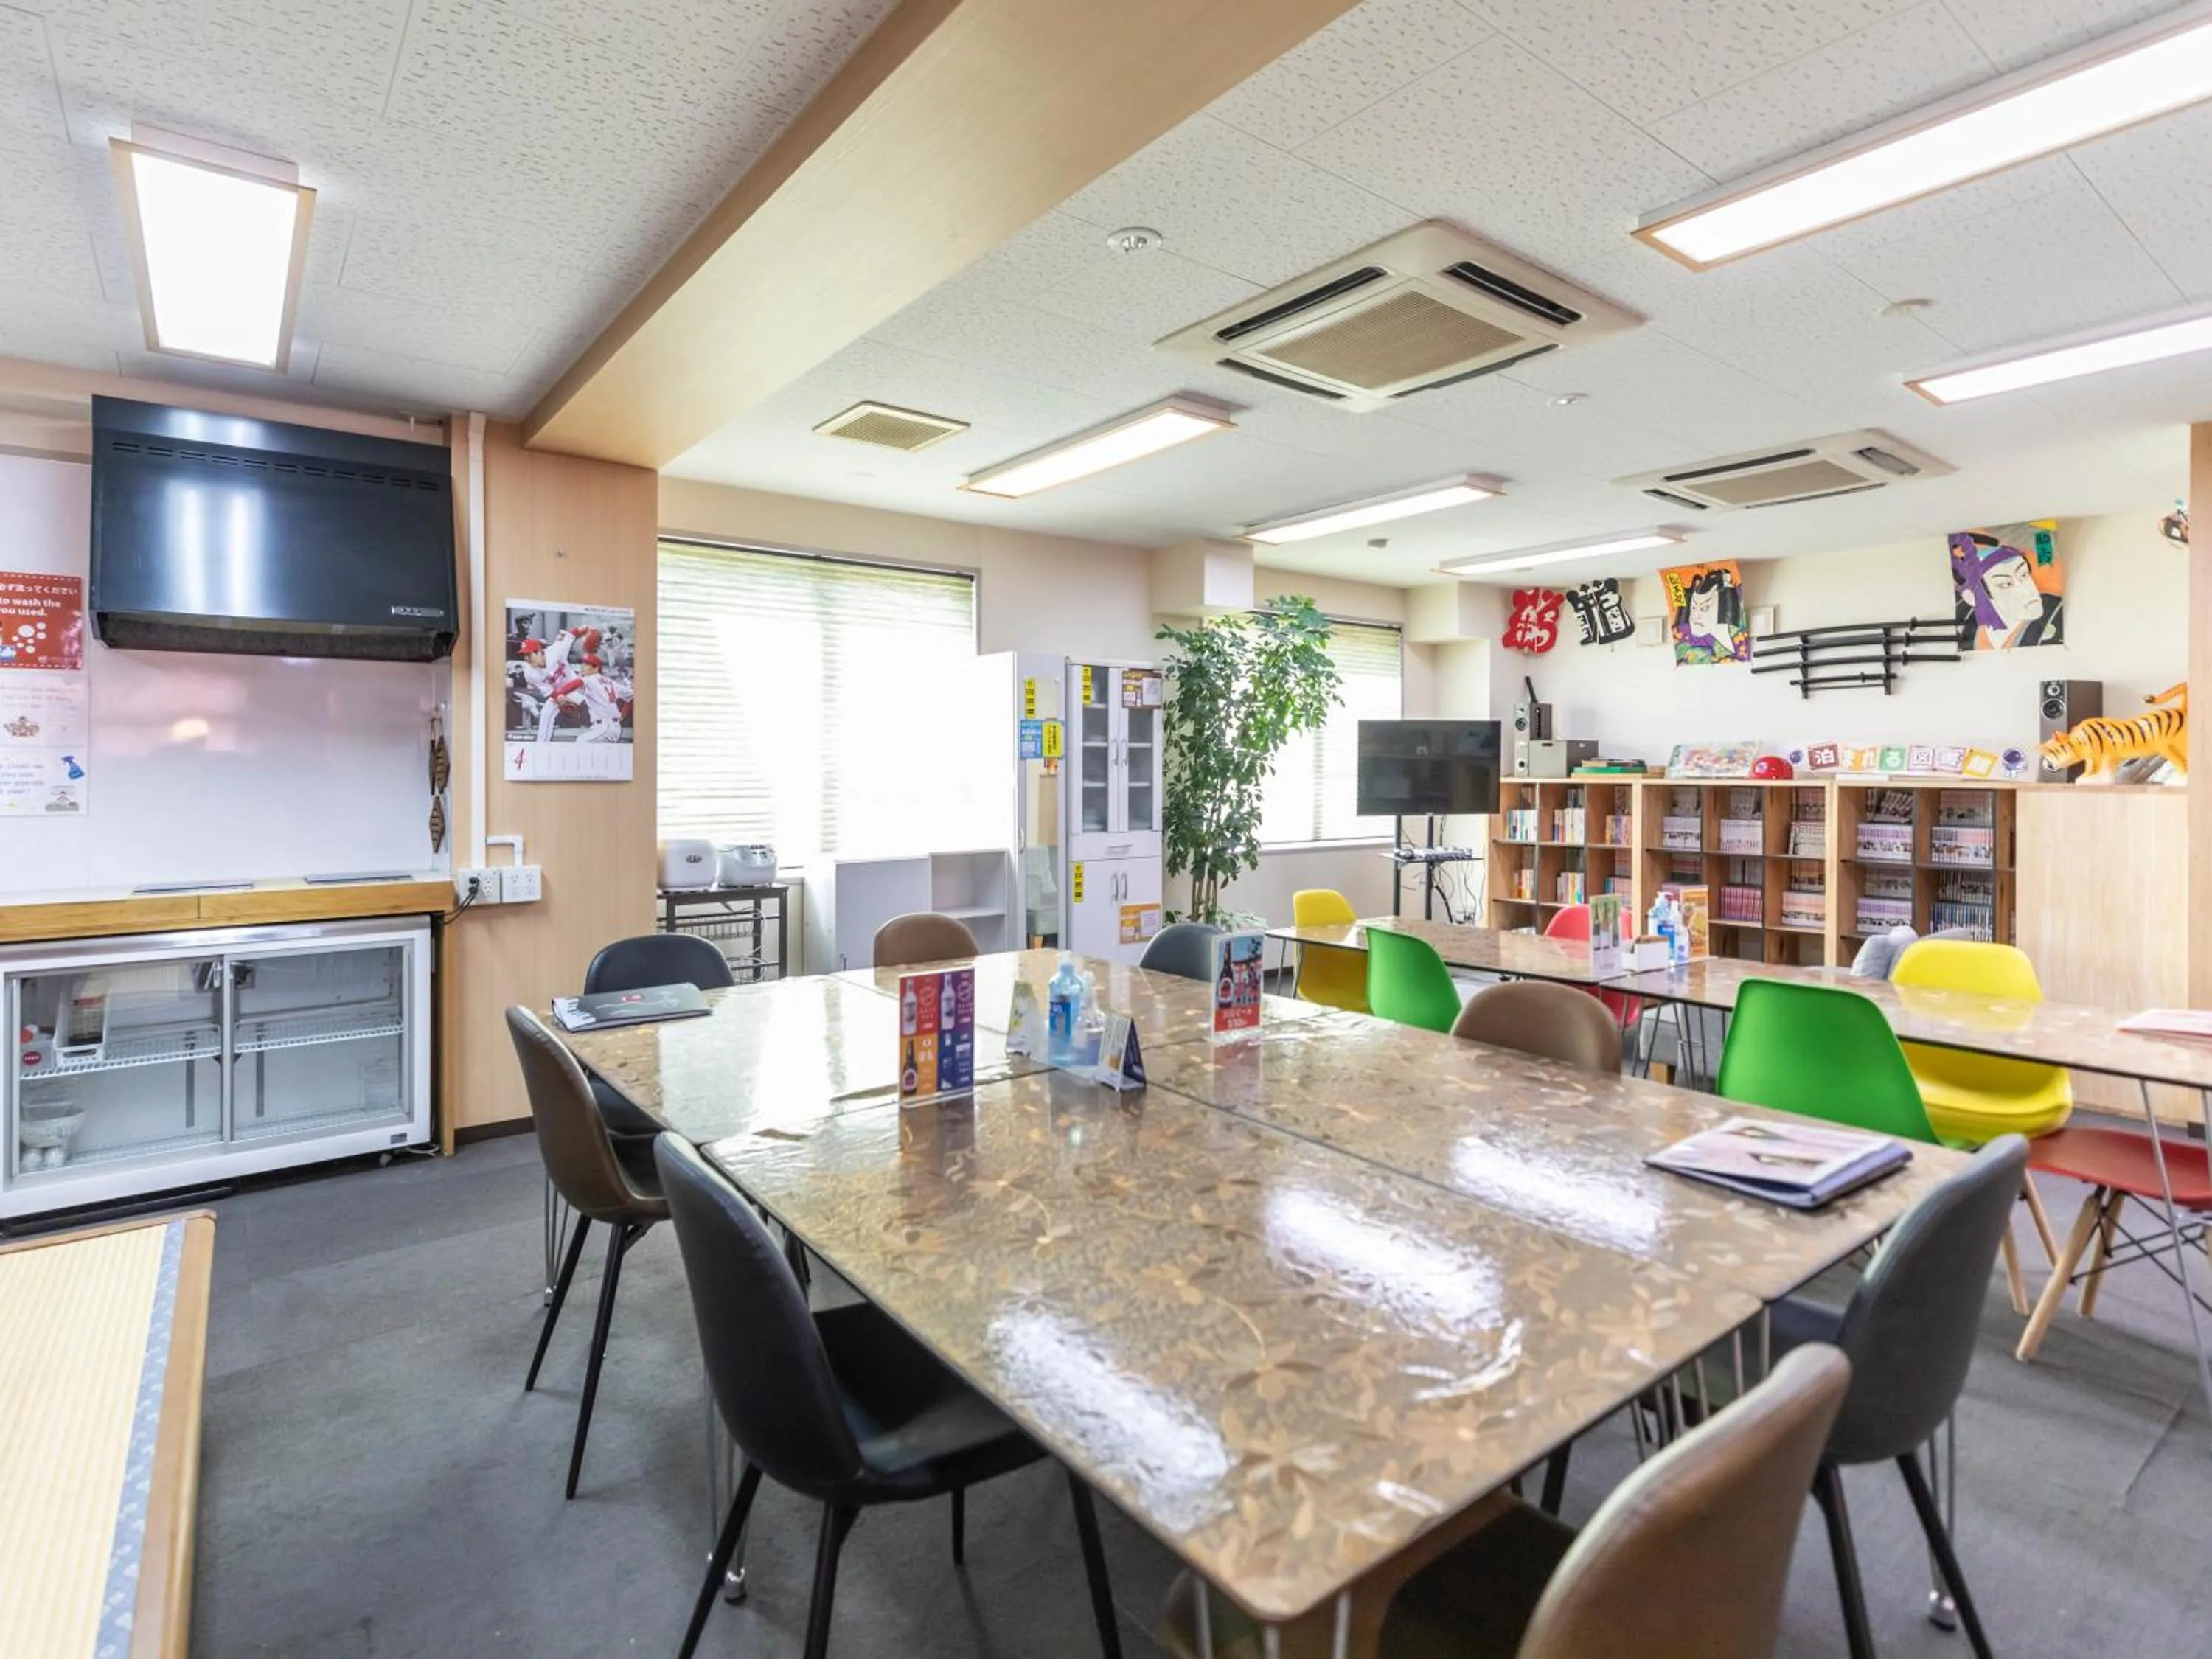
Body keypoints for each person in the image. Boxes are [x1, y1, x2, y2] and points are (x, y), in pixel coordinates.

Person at [1950, 531, 2062, 649]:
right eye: (2005, 584)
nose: (2026, 591)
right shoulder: (1961, 619)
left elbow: (2043, 536)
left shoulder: (2056, 609)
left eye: (2024, 575)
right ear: (1972, 598)